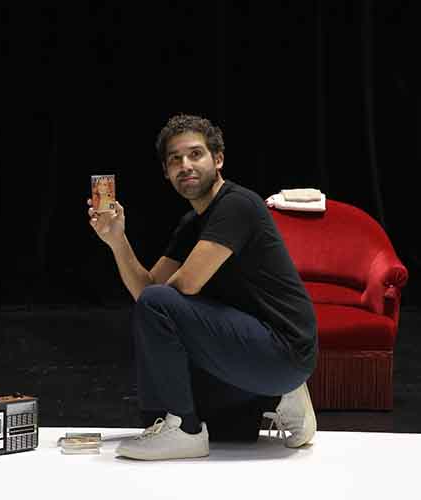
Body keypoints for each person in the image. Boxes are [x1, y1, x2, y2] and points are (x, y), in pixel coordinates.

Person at [87, 114, 318, 460]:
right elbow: (145, 292)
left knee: (160, 306)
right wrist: (117, 240)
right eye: (175, 160)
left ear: (218, 159)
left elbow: (182, 287)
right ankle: (281, 399)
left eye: (195, 154)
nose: (185, 165)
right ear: (166, 172)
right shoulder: (191, 224)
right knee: (162, 414)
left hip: (282, 350)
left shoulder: (237, 205)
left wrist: (166, 306)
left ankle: (186, 433)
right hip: (248, 349)